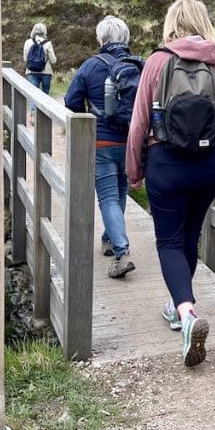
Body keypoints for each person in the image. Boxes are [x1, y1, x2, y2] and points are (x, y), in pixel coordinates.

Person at [127, 0, 215, 368]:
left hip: (167, 163)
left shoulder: (158, 61)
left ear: (172, 22)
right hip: (208, 164)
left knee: (170, 240)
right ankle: (179, 307)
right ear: (203, 22)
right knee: (189, 237)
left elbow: (140, 122)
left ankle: (187, 313)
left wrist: (133, 170)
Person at [64, 15, 141, 279]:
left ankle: (121, 251)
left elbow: (71, 100)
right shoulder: (136, 65)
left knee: (108, 197)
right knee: (120, 193)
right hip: (130, 142)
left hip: (102, 142)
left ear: (102, 38)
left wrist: (90, 115)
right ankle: (109, 239)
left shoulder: (91, 66)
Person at [23, 22, 56, 94]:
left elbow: (25, 59)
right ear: (45, 31)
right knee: (45, 93)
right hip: (46, 72)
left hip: (31, 71)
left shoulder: (27, 42)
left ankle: (33, 106)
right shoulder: (48, 43)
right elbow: (53, 60)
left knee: (33, 94)